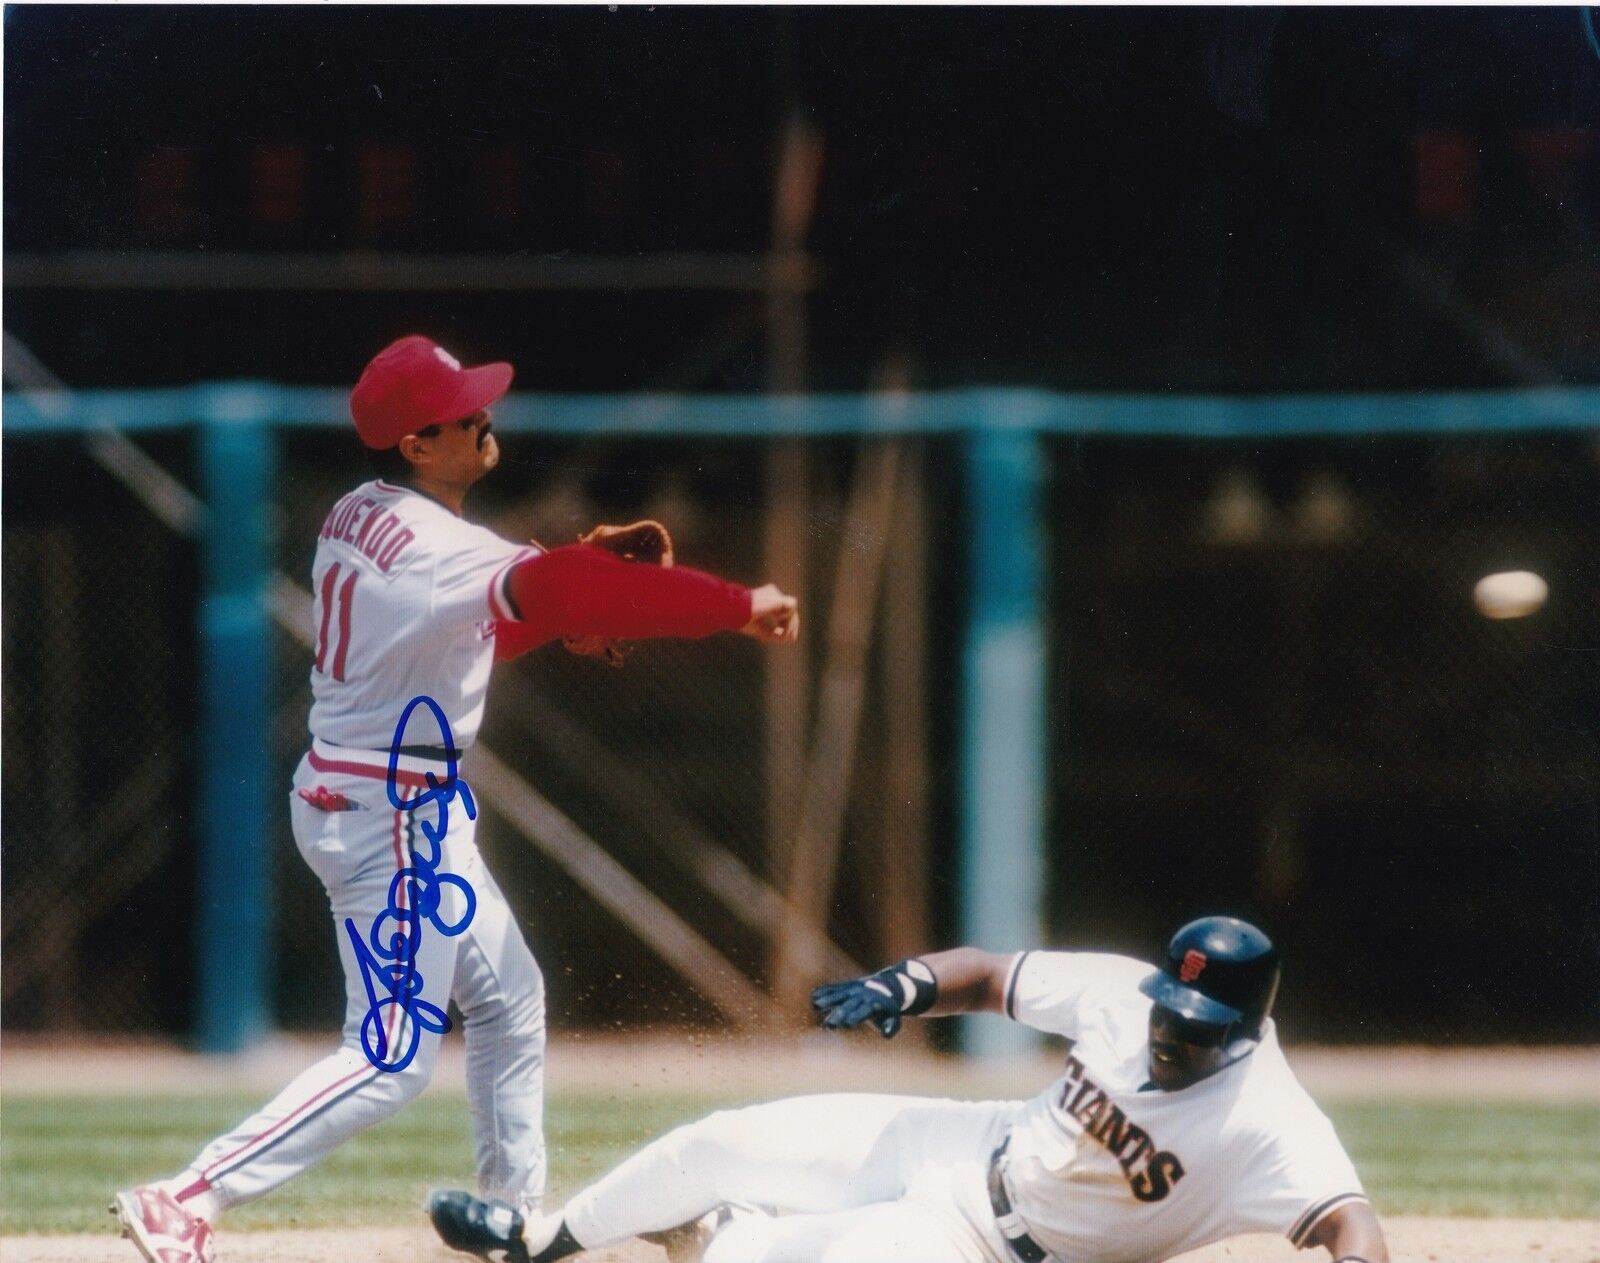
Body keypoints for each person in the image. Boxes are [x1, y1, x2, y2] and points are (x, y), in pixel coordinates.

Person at [112, 335, 800, 1263]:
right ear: (415, 444)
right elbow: (539, 586)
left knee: (512, 999)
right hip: (386, 813)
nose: (483, 416)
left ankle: (507, 1218)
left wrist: (560, 610)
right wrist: (732, 601)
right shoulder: (440, 548)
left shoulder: (360, 513)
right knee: (391, 1056)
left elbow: (471, 625)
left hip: (386, 800)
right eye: (460, 411)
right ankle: (184, 1194)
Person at [429, 916, 1390, 1263]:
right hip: (964, 1143)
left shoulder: (1268, 1118)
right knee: (716, 1140)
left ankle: (711, 1236)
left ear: (1247, 1029)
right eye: (1166, 1011)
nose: (1170, 1032)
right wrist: (904, 984)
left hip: (990, 1249)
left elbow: (1351, 1223)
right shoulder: (1123, 990)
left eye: (1194, 1026)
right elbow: (986, 973)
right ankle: (540, 1240)